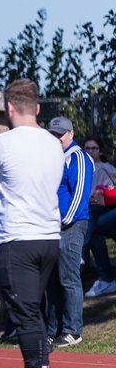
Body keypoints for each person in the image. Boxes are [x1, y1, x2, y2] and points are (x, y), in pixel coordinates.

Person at [0, 78, 63, 368]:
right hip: (49, 238)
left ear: (9, 108)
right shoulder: (54, 144)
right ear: (37, 108)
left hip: (20, 238)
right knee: (15, 293)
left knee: (25, 311)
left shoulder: (4, 142)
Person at [44, 116, 93, 348]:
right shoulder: (54, 158)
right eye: (52, 134)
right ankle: (52, 331)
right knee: (52, 280)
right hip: (54, 227)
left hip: (71, 226)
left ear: (71, 134)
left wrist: (65, 220)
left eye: (60, 134)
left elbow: (80, 195)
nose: (56, 138)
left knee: (68, 278)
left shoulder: (78, 157)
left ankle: (73, 330)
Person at [82, 137, 116, 297]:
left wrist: (104, 195)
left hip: (107, 207)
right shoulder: (81, 167)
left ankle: (77, 250)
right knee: (93, 227)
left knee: (91, 214)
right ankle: (106, 278)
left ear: (100, 151)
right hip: (93, 211)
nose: (90, 151)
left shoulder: (104, 168)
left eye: (94, 148)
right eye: (87, 148)